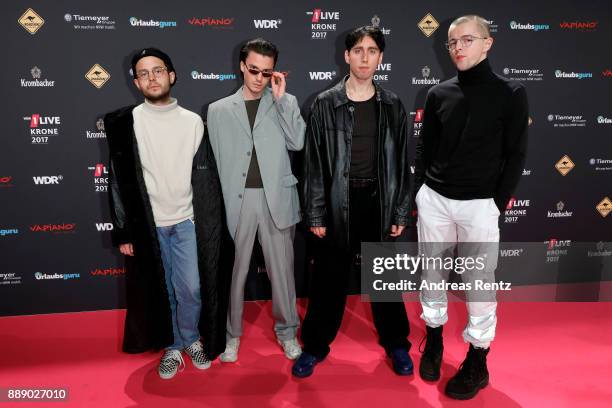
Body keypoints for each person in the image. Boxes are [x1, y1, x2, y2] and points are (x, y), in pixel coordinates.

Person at [414, 15, 528, 399]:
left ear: (487, 43)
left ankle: (478, 360)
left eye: (467, 40)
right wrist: (420, 194)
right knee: (432, 275)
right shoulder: (437, 94)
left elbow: (516, 155)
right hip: (435, 201)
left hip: (480, 206)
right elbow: (425, 148)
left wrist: (494, 204)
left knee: (479, 285)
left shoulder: (511, 93)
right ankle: (433, 342)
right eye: (452, 42)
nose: (458, 48)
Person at [104, 47, 233, 380]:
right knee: (164, 290)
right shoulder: (125, 123)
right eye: (144, 73)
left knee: (190, 288)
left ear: (172, 75)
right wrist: (124, 231)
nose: (152, 77)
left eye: (158, 70)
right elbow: (117, 183)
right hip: (149, 226)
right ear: (136, 82)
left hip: (187, 221)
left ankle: (191, 338)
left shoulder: (193, 122)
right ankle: (174, 346)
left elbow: (206, 182)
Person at [294, 26, 412, 378]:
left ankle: (397, 345)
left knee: (385, 279)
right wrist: (315, 210)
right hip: (336, 202)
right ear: (346, 56)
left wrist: (400, 208)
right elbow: (313, 163)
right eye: (358, 50)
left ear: (380, 57)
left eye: (372, 50)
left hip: (379, 201)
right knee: (328, 281)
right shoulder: (325, 103)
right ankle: (314, 346)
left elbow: (402, 165)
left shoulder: (393, 105)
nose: (364, 56)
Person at [207, 38, 306, 362]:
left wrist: (282, 102)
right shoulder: (218, 110)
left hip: (277, 199)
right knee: (232, 275)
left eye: (266, 72)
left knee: (283, 275)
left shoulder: (284, 101)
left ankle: (288, 332)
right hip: (236, 203)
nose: (259, 78)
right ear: (241, 66)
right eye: (253, 70)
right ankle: (230, 336)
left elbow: (298, 141)